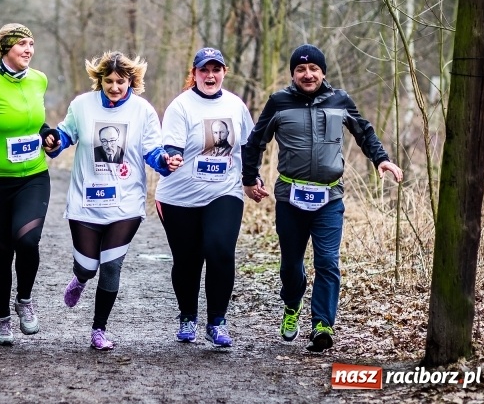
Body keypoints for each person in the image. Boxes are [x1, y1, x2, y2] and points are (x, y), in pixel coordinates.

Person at [241, 44, 403, 353]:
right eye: (300, 69)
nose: (307, 74)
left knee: (327, 262)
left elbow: (364, 132)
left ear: (322, 72)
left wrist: (381, 159)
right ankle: (292, 305)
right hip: (291, 198)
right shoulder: (279, 102)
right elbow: (254, 143)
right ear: (293, 74)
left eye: (313, 68)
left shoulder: (339, 100)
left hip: (330, 198)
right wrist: (251, 179)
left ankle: (322, 325)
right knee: (290, 266)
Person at [44, 51, 181, 351]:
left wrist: (165, 161)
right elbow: (66, 135)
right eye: (109, 81)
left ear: (131, 81)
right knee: (88, 267)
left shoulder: (143, 111)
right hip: (85, 201)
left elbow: (152, 151)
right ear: (100, 80)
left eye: (121, 81)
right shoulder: (82, 106)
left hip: (126, 203)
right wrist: (53, 141)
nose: (115, 87)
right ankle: (79, 279)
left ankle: (98, 329)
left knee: (111, 266)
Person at [154, 47, 253, 348]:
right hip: (180, 196)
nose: (210, 75)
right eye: (204, 70)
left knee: (220, 249)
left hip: (224, 191)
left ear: (224, 72)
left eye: (216, 69)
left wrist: (253, 178)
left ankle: (217, 322)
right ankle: (187, 317)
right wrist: (171, 157)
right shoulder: (181, 106)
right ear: (194, 74)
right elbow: (171, 146)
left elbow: (248, 147)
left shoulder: (236, 106)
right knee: (187, 259)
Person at [0, 23, 57, 346]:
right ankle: (3, 318)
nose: (28, 50)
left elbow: (34, 121)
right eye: (22, 44)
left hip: (33, 176)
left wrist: (47, 133)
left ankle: (25, 299)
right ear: (6, 48)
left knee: (28, 240)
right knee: (1, 252)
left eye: (31, 44)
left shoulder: (39, 80)